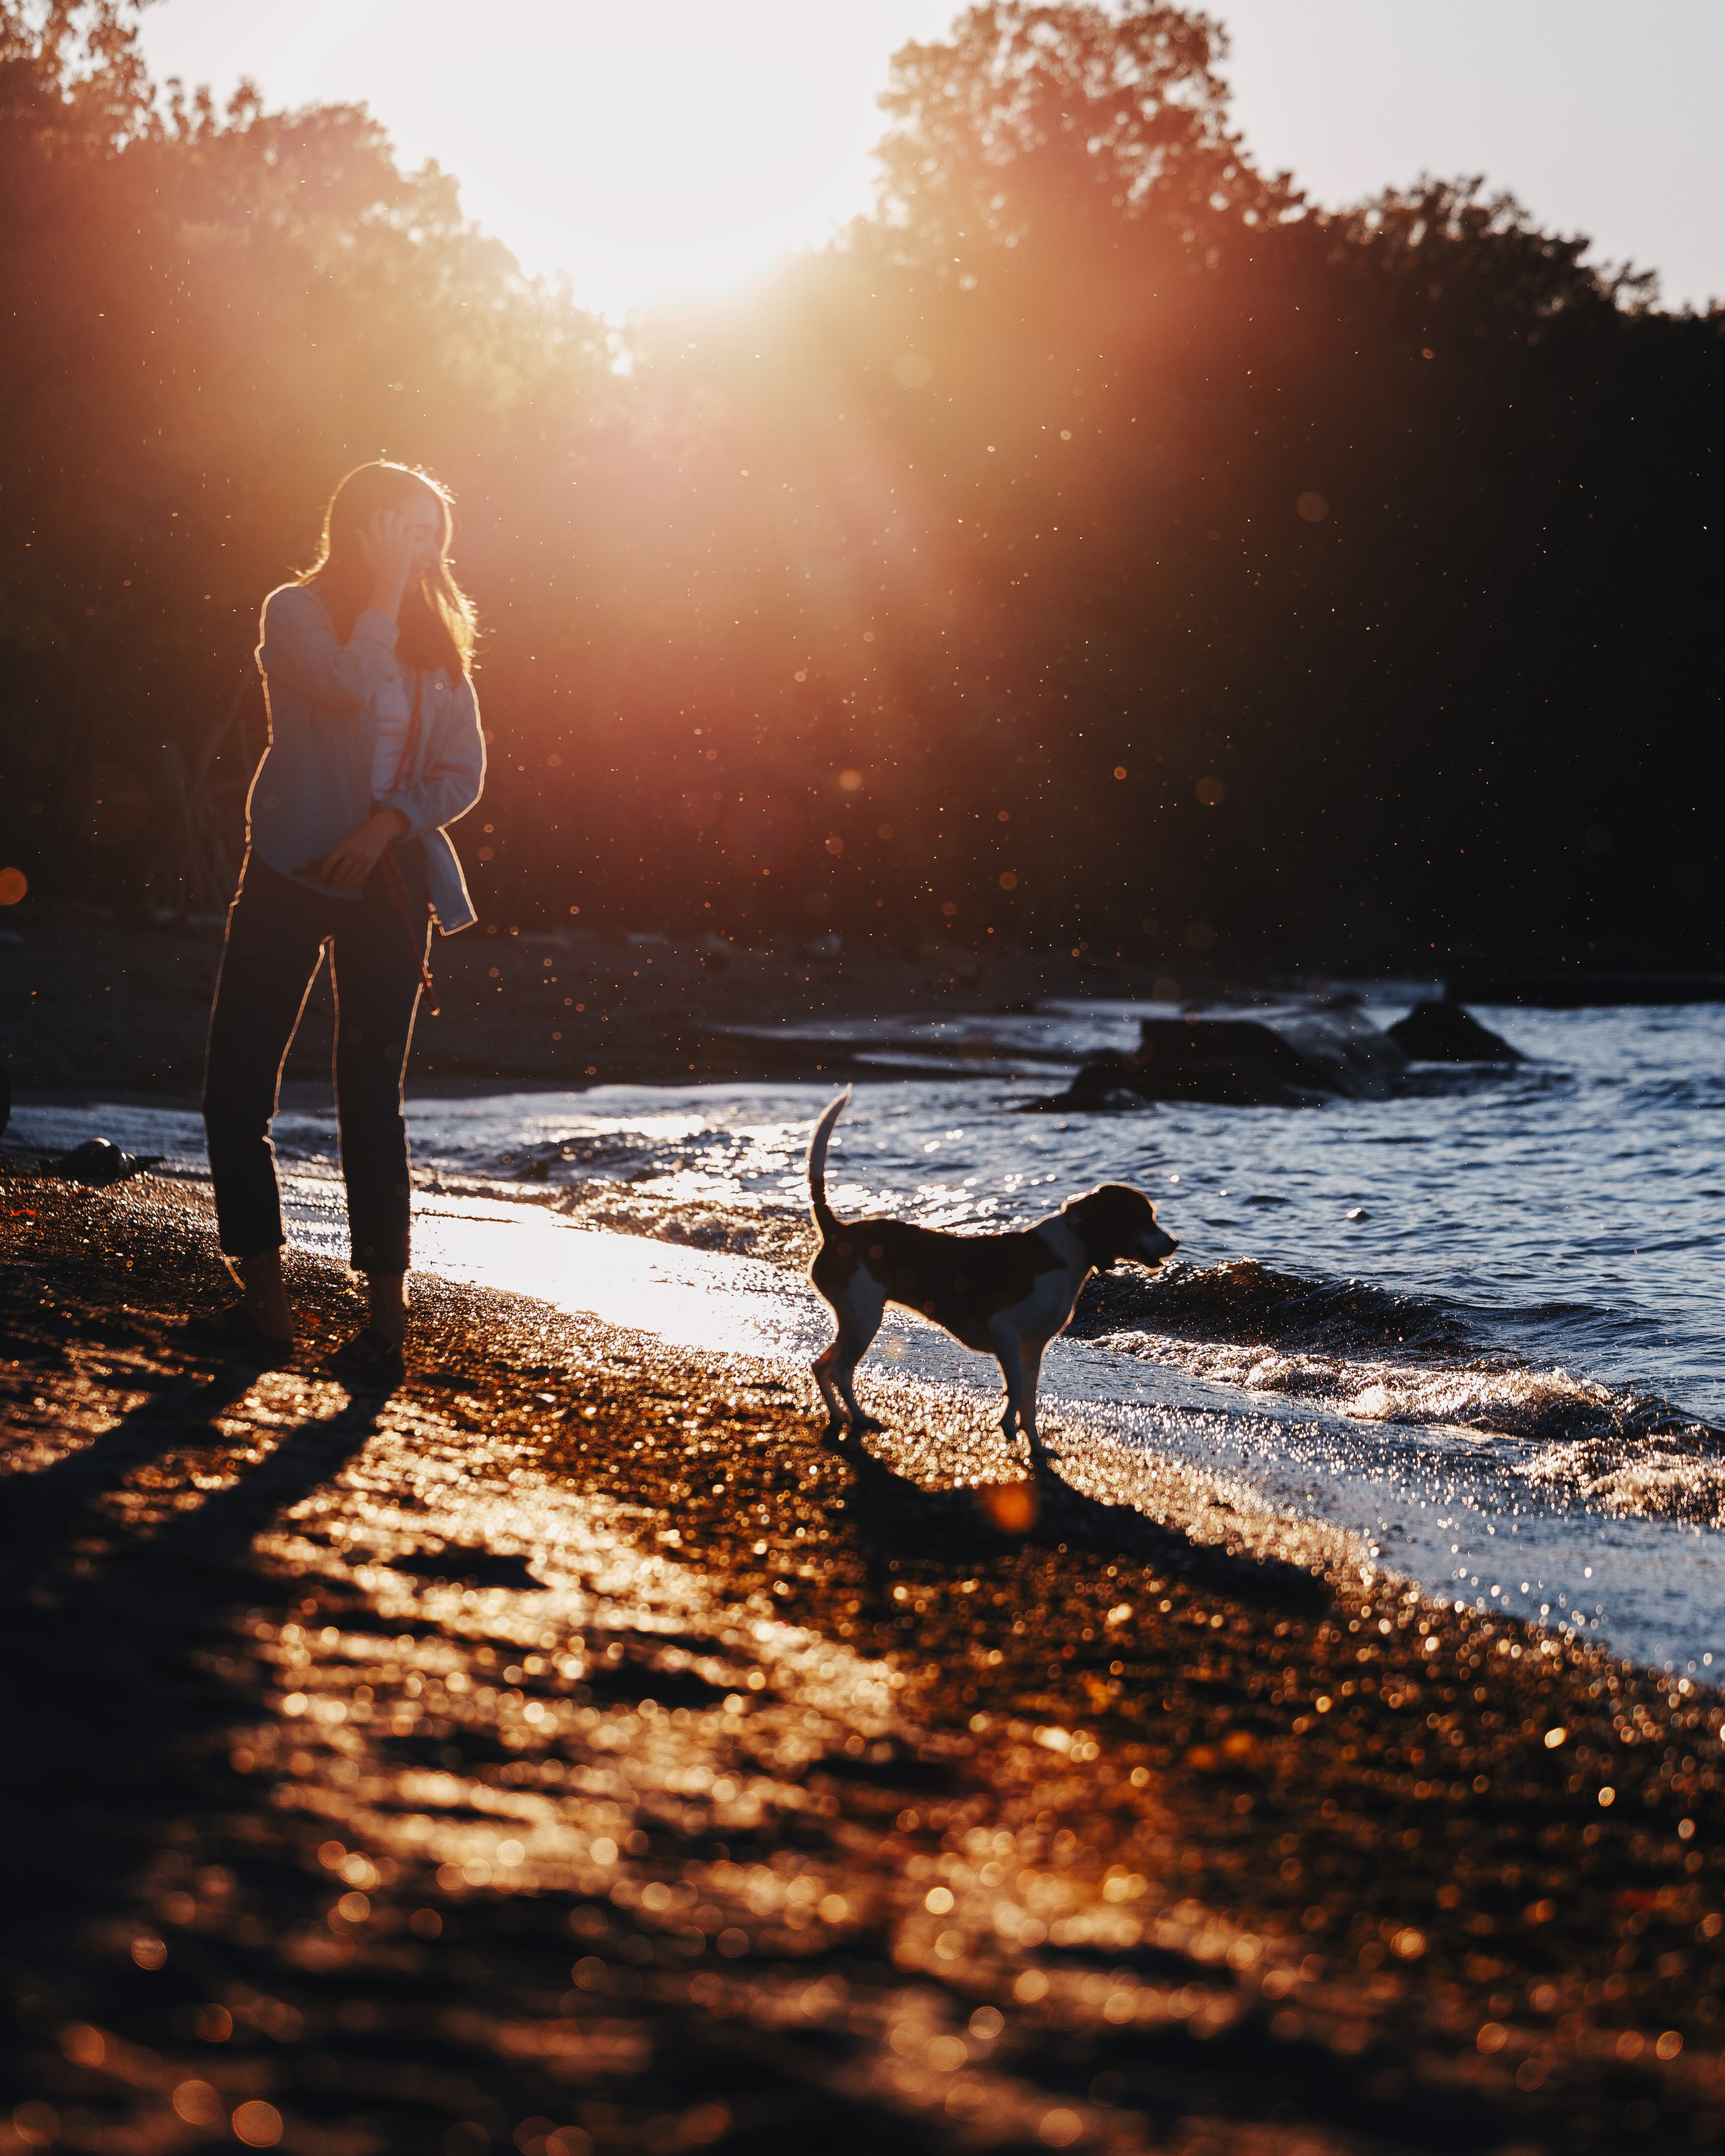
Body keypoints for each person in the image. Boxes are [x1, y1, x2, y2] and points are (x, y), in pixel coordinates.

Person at [196, 461, 485, 1386]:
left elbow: (461, 772)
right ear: (359, 527)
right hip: (288, 871)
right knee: (237, 1089)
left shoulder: (441, 643)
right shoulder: (296, 613)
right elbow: (349, 689)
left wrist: (387, 822)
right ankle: (267, 1302)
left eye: (432, 531)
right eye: (404, 526)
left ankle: (387, 1322)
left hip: (390, 880)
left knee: (370, 1096)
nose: (423, 545)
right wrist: (390, 595)